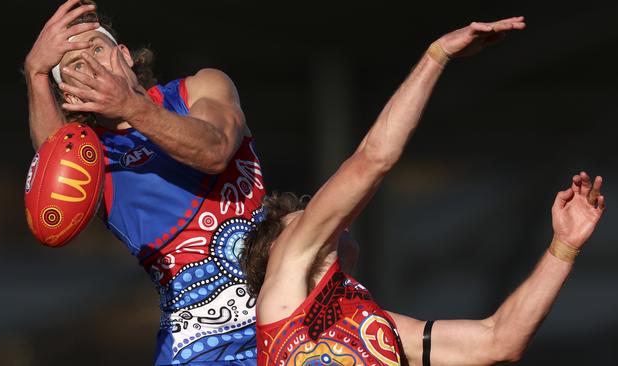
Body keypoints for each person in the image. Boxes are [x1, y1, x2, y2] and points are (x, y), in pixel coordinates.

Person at [240, 17, 606, 366]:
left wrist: (565, 246)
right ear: (277, 248)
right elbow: (373, 159)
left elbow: (499, 340)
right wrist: (437, 56)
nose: (323, 216)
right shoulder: (285, 286)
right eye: (303, 218)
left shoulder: (381, 330)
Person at [24, 1, 266, 364]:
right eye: (74, 65)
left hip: (283, 309)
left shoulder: (199, 88)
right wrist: (35, 71)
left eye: (96, 49)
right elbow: (51, 175)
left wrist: (131, 107)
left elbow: (215, 151)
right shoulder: (92, 160)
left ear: (125, 56)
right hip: (194, 345)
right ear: (70, 96)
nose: (90, 64)